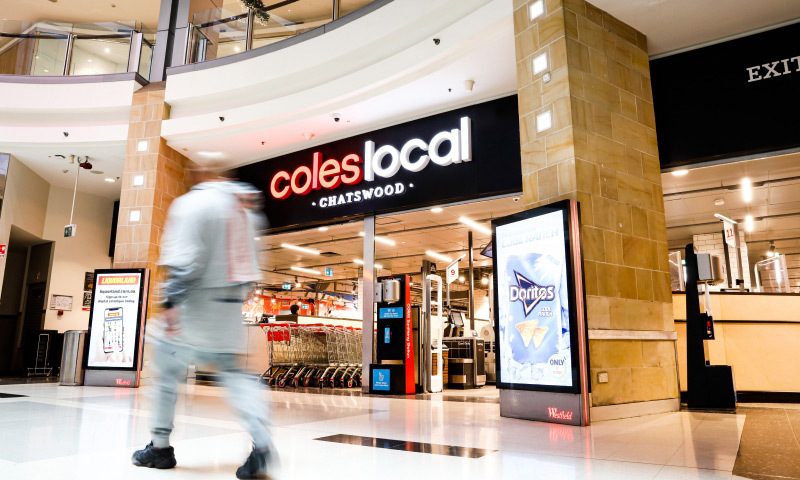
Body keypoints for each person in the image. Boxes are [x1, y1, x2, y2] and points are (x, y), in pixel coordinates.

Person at [131, 167, 275, 479]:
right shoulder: (246, 208)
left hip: (193, 305)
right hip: (230, 307)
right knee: (235, 375)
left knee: (165, 373)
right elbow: (256, 263)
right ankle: (262, 443)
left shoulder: (192, 204)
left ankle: (159, 448)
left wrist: (170, 302)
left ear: (200, 177)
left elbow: (185, 259)